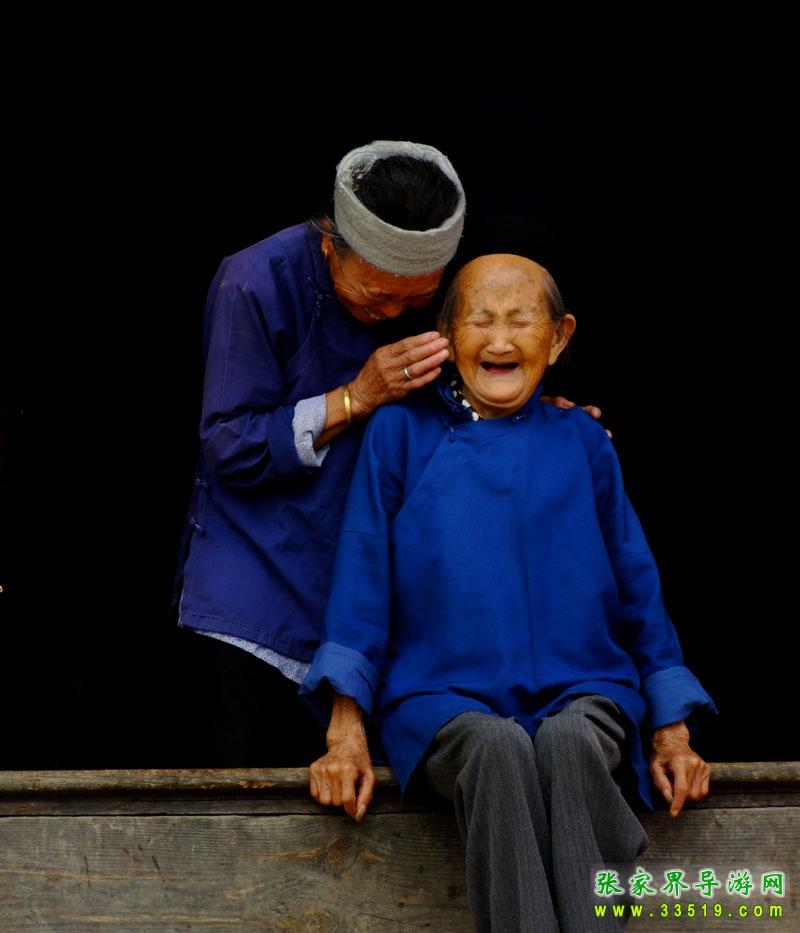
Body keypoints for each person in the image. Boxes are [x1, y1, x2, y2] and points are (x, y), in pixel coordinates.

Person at [299, 254, 718, 931]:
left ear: (557, 338)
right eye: (480, 321)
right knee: (496, 749)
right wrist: (345, 731)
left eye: (520, 321)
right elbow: (362, 577)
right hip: (441, 699)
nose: (499, 340)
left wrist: (672, 728)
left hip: (585, 686)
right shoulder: (400, 434)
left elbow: (637, 584)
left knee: (570, 742)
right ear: (446, 335)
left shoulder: (584, 440)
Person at [171, 140, 604, 767]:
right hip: (257, 585)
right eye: (377, 297)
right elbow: (228, 444)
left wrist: (539, 419)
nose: (394, 313)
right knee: (240, 785)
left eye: (414, 300)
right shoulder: (253, 282)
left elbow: (478, 375)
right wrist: (357, 397)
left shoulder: (436, 294)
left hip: (376, 588)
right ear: (330, 244)